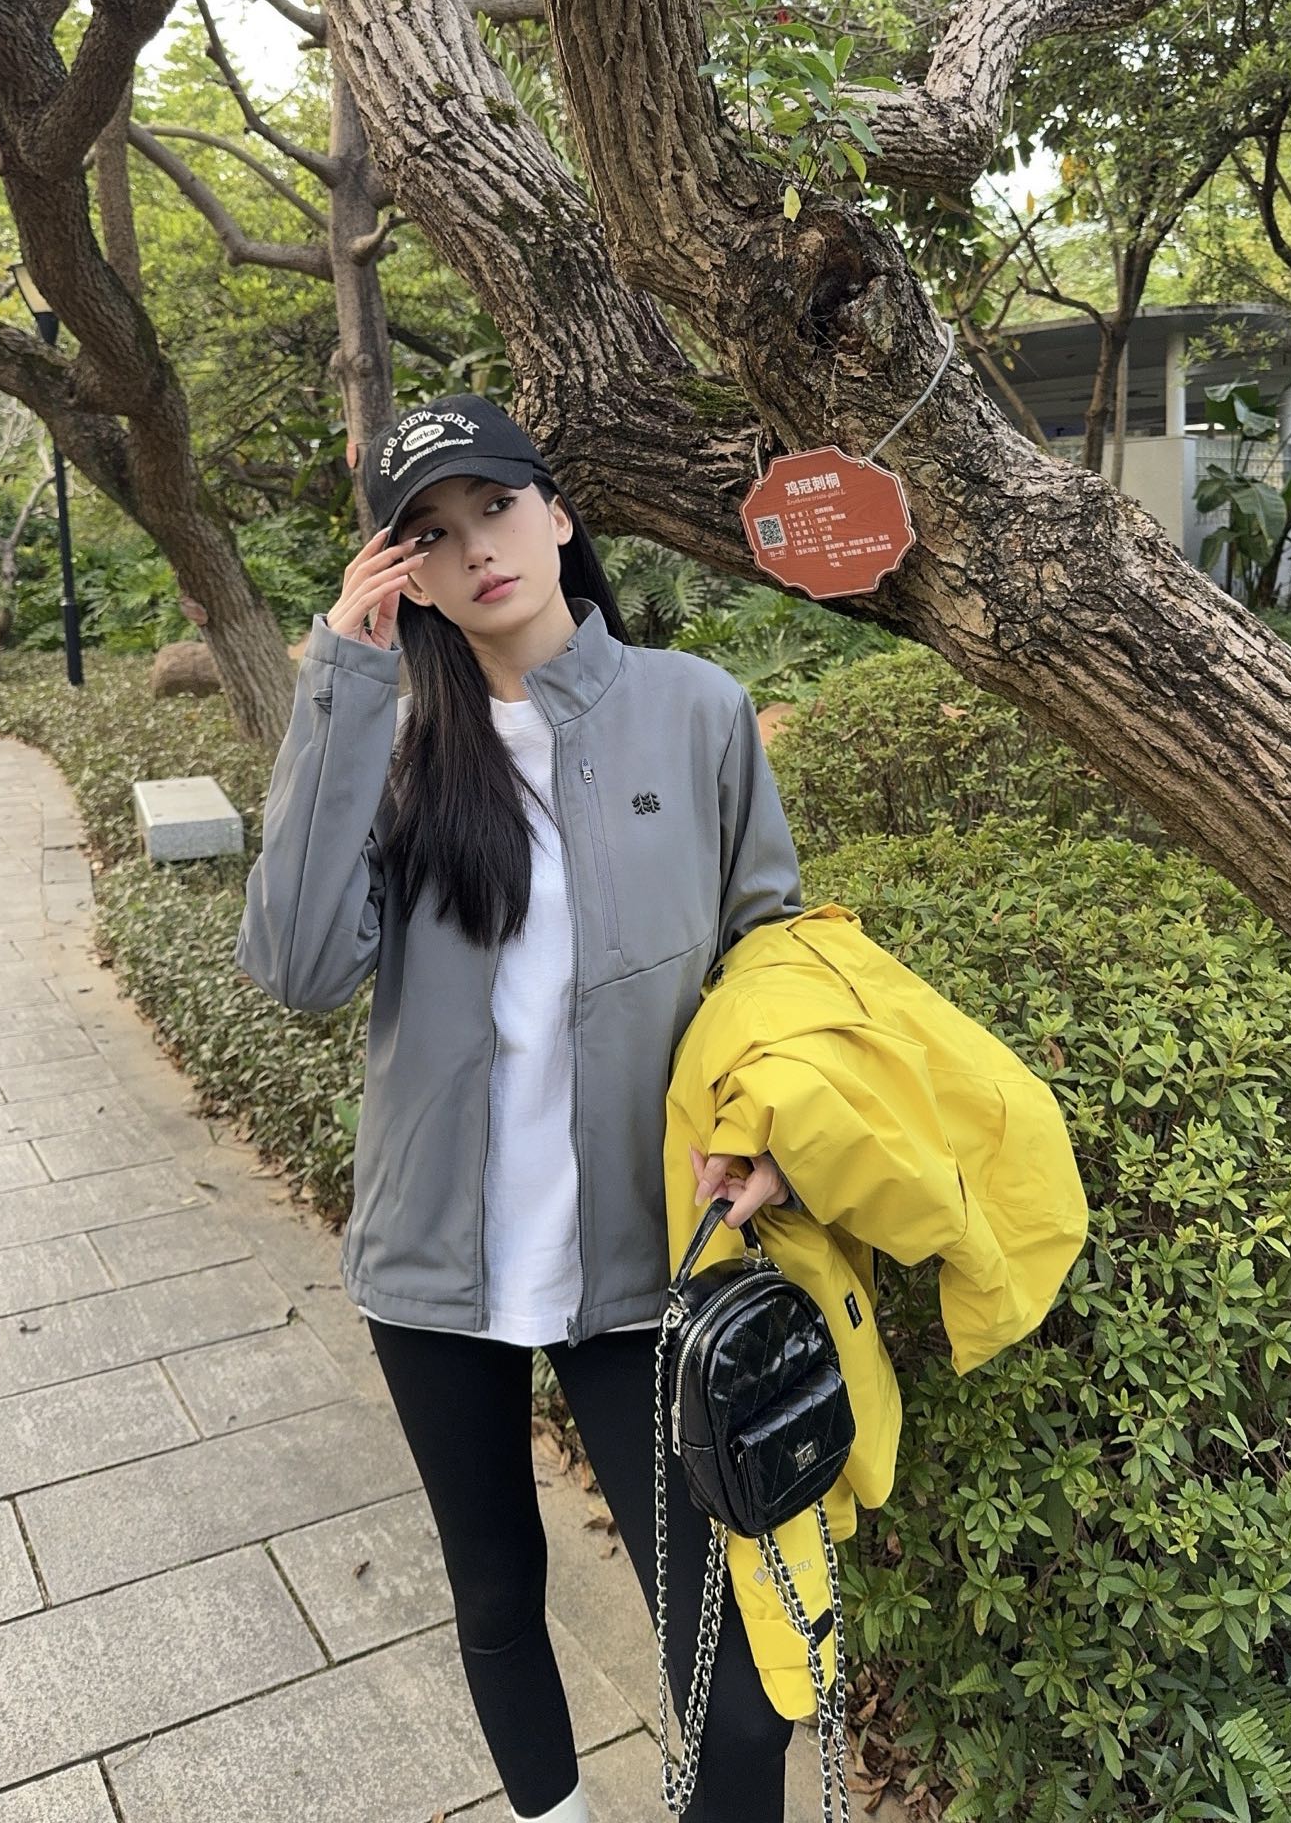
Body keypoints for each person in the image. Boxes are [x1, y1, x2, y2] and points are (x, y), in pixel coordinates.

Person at [234, 393, 811, 1822]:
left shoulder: (696, 709)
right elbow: (299, 968)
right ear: (406, 574)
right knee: (496, 1594)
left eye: (495, 506)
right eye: (430, 533)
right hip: (438, 1264)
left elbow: (771, 947)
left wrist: (772, 1130)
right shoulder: (396, 747)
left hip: (646, 1256)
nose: (477, 548)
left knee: (738, 1692)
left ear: (556, 514)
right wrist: (340, 685)